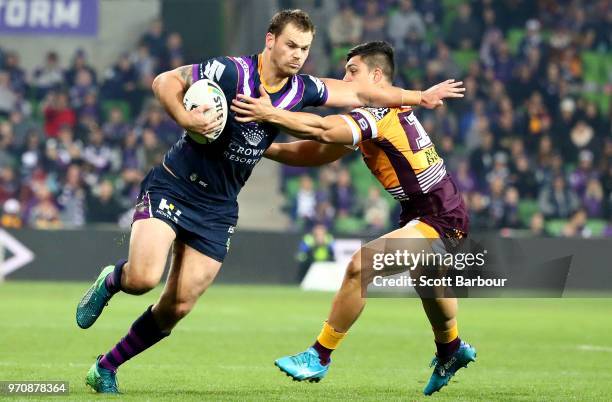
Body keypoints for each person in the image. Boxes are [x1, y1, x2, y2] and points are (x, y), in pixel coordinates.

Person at [75, 11, 464, 394]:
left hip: (219, 208)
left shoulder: (303, 89)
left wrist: (421, 95)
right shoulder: (231, 72)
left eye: (305, 49)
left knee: (176, 306)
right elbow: (165, 81)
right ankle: (112, 281)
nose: (298, 55)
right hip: (175, 186)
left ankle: (105, 367)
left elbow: (340, 117)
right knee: (143, 279)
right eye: (292, 45)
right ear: (270, 40)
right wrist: (185, 119)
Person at [231, 41, 474, 396]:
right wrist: (262, 147)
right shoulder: (378, 110)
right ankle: (451, 350)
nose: (345, 79)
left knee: (363, 265)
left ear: (376, 76)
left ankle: (319, 355)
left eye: (353, 72)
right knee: (431, 289)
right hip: (428, 213)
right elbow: (317, 152)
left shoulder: (377, 113)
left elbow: (323, 131)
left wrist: (270, 114)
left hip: (440, 215)